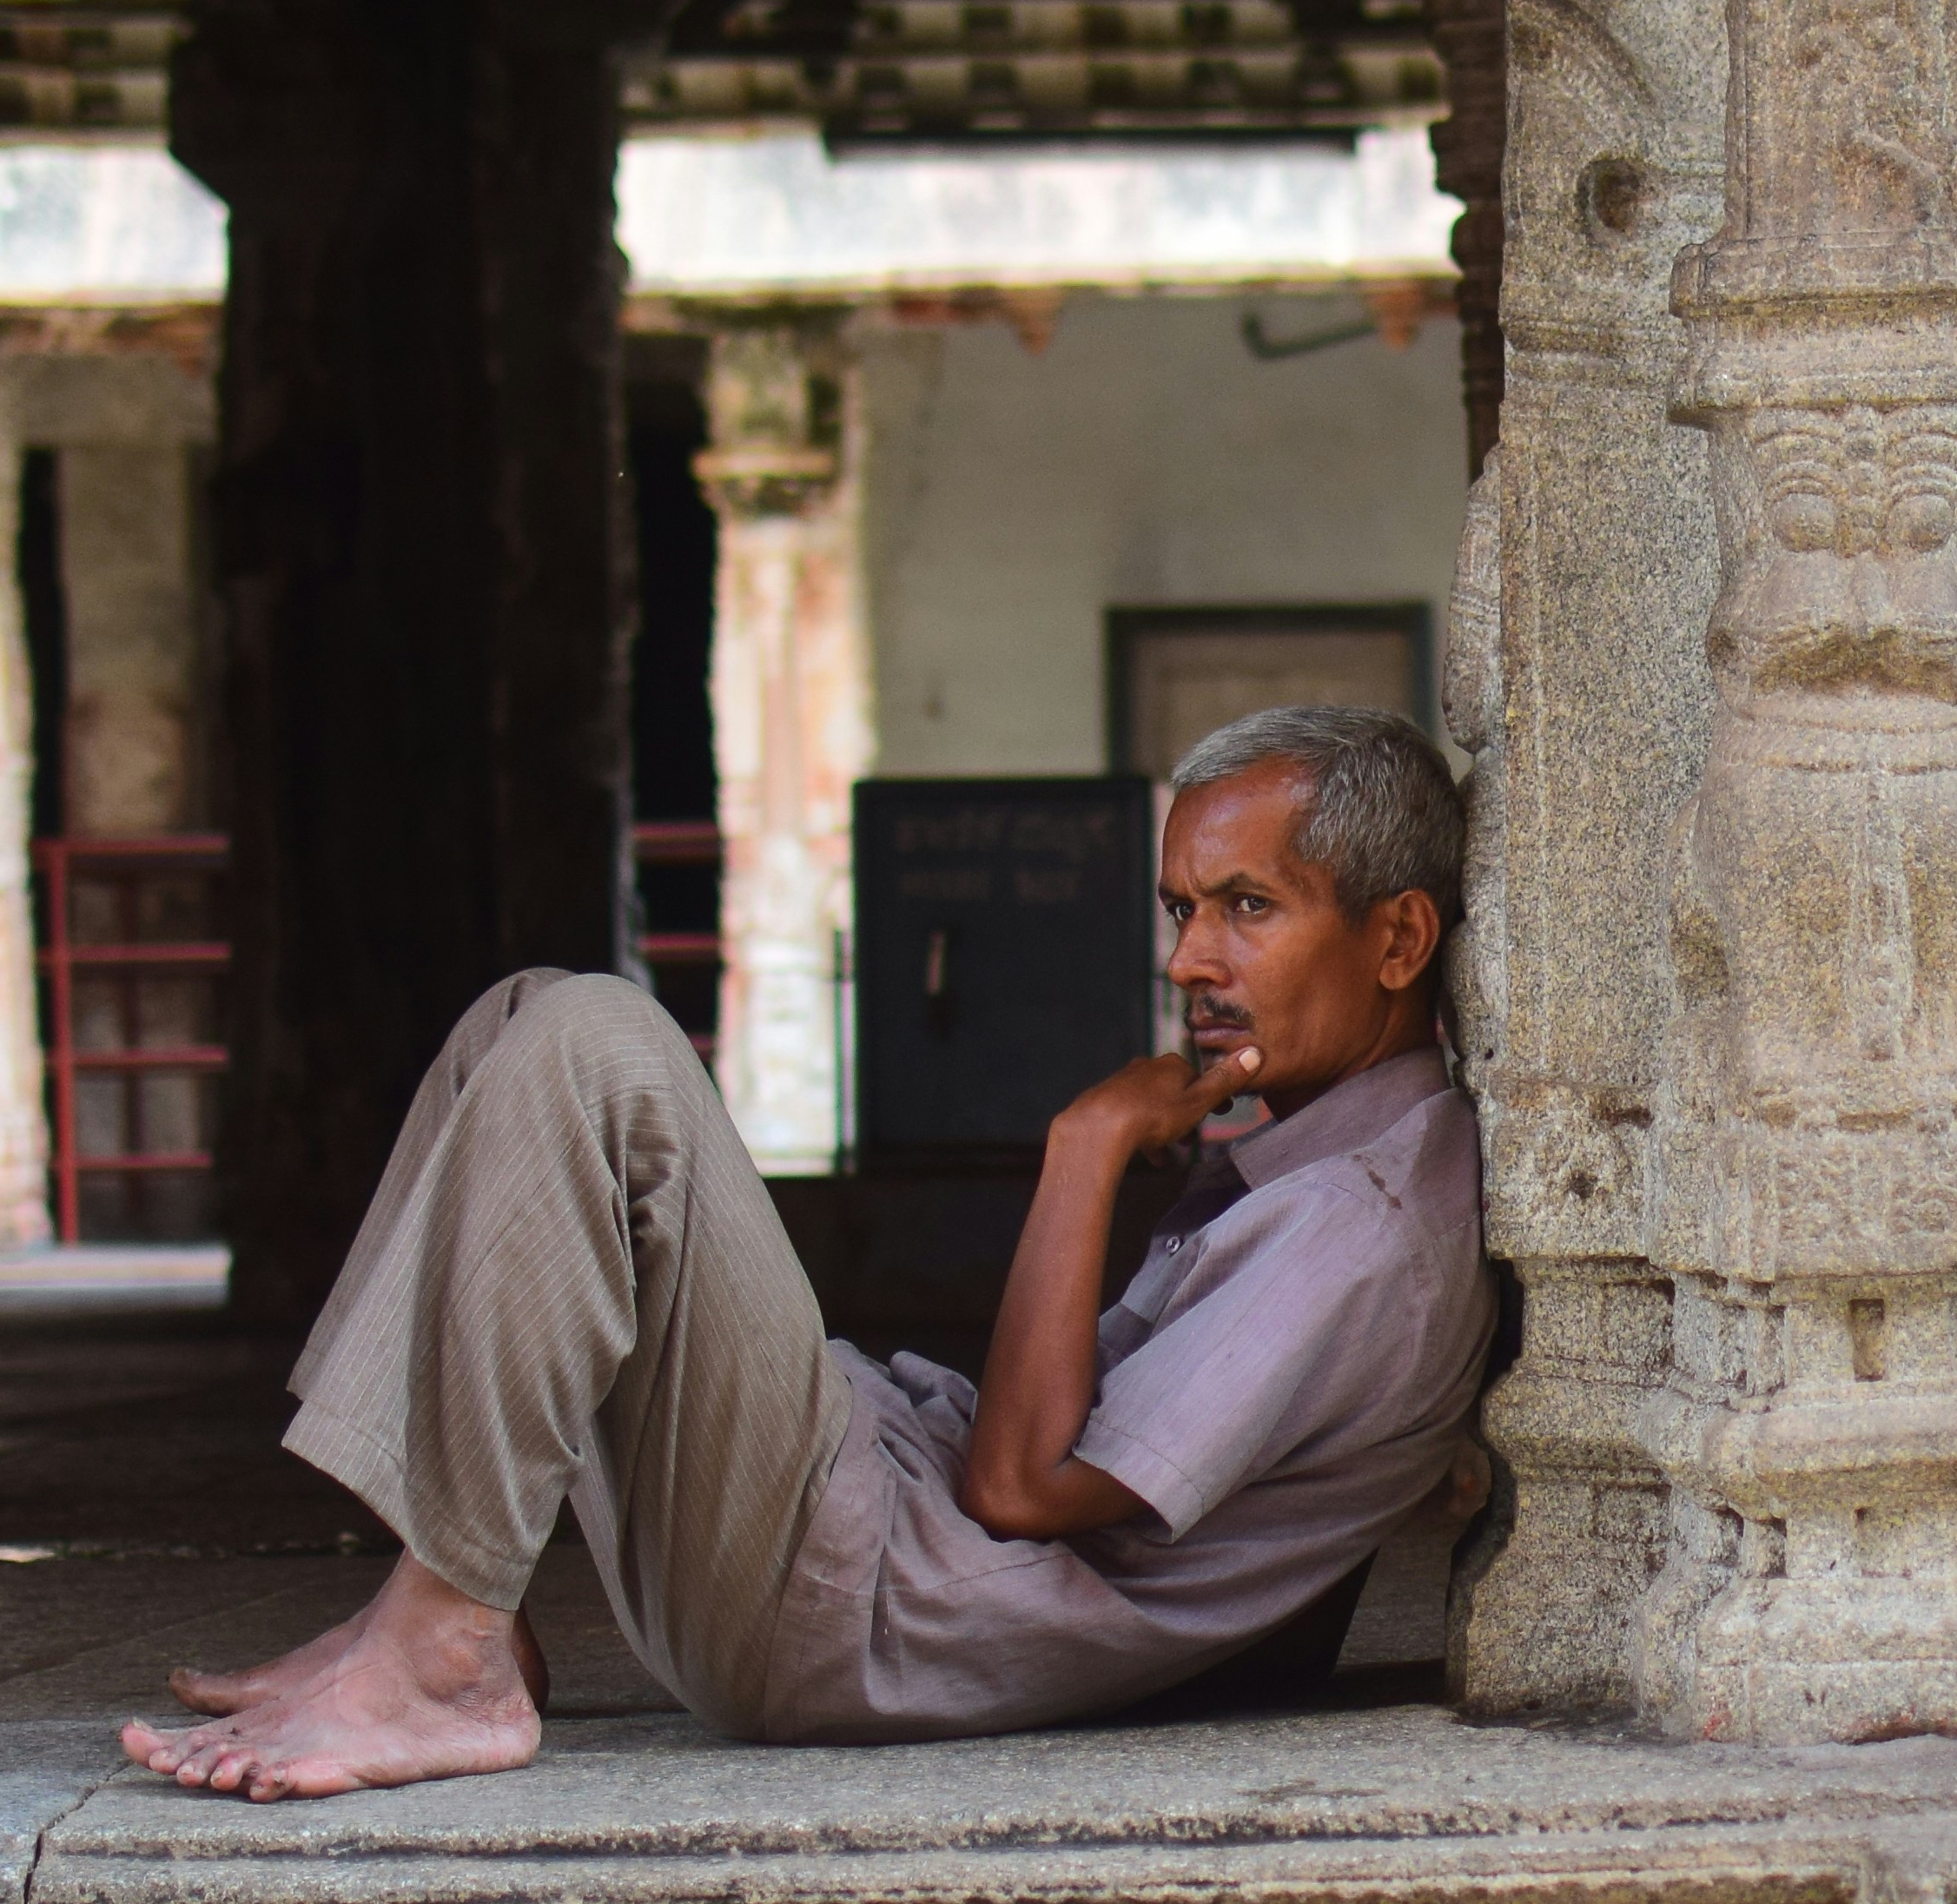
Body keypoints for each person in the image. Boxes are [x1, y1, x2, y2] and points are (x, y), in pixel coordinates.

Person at [122, 704, 1490, 1799]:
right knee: (519, 1020)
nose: (1190, 960)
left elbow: (1019, 1489)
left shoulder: (1364, 1224)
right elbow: (1272, 1558)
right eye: (1182, 909)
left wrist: (1083, 1149)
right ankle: (436, 1598)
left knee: (598, 1045)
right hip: (855, 1552)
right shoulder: (1331, 1164)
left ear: (1399, 940)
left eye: (1248, 907)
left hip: (865, 1606)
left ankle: (442, 1657)